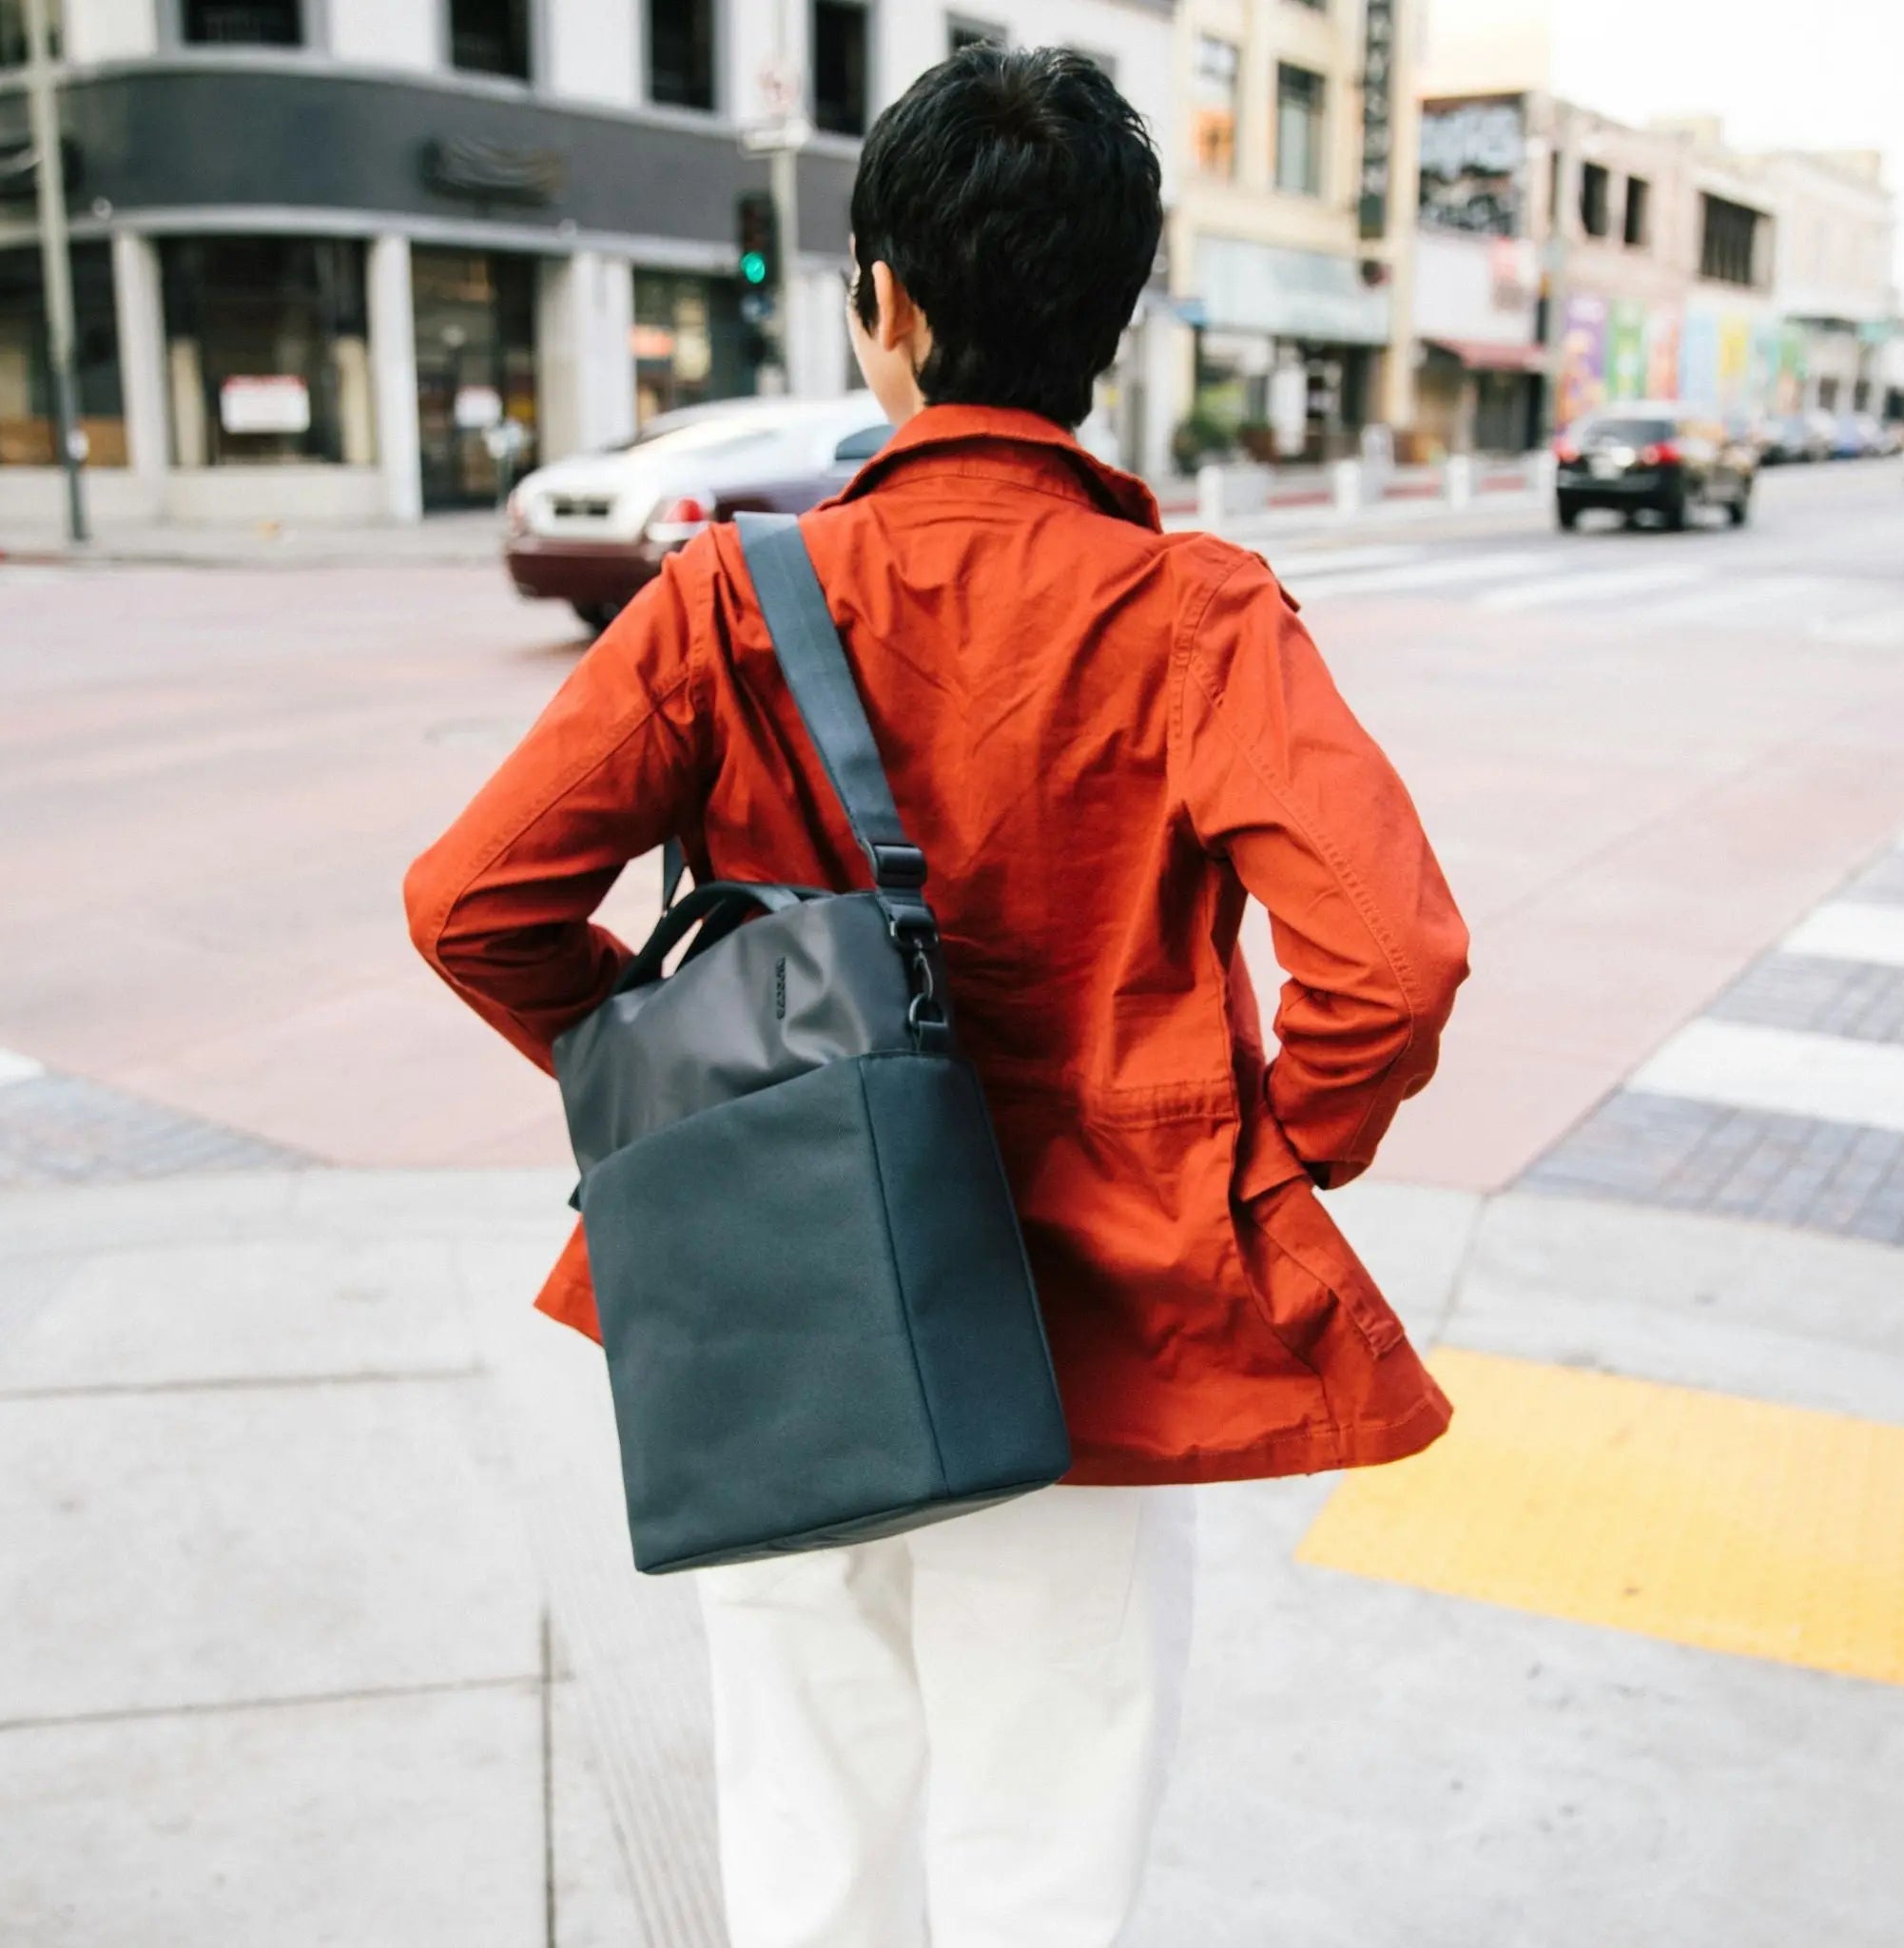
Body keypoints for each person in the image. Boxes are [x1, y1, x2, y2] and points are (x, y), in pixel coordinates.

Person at [404, 43, 1468, 1948]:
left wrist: (680, 1085)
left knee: (804, 1832)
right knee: (1041, 1859)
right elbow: (1389, 966)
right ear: (1111, 324)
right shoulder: (1196, 613)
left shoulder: (727, 598)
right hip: (1089, 1338)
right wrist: (1260, 1148)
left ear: (883, 303)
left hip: (782, 1301)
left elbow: (473, 902)